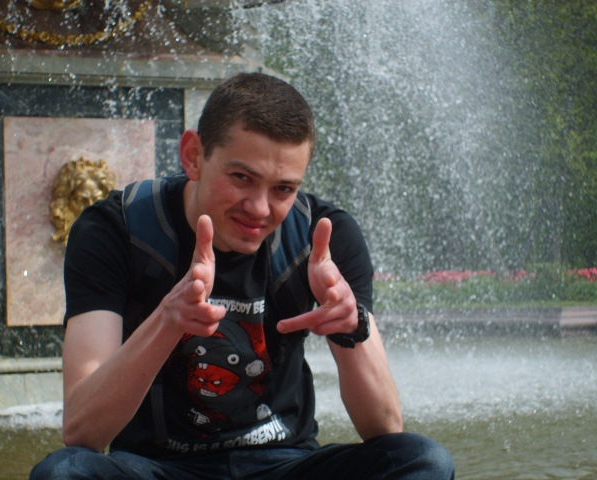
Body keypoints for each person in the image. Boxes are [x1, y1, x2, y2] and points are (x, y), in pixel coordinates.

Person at [30, 72, 455, 479]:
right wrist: (168, 320)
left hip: (287, 463)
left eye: (283, 189)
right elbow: (82, 431)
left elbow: (385, 426)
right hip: (157, 468)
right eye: (241, 178)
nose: (259, 208)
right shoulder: (116, 229)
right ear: (193, 155)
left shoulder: (324, 236)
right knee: (64, 472)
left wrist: (350, 327)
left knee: (423, 460)